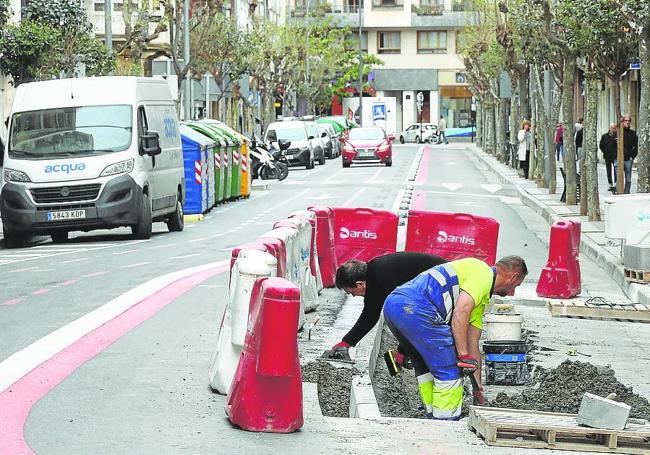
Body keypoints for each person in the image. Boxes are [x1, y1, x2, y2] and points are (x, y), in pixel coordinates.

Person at [383, 256, 527, 420]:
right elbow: (461, 311)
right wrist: (462, 355)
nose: (512, 291)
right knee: (450, 369)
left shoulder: (479, 297)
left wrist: (477, 387)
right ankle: (445, 424)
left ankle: (431, 416)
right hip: (417, 308)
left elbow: (472, 344)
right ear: (514, 277)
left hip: (394, 305)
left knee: (425, 366)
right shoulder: (484, 274)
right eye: (517, 285)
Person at [328, 252, 447, 364]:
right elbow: (370, 315)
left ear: (360, 284)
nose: (353, 296)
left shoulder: (383, 277)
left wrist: (403, 351)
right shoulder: (375, 274)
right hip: (437, 281)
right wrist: (347, 342)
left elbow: (410, 317)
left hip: (445, 281)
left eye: (352, 292)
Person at [614, 115, 638, 194]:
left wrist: (632, 156)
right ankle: (619, 192)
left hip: (628, 159)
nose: (627, 122)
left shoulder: (633, 133)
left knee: (628, 179)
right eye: (625, 121)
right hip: (618, 158)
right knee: (619, 178)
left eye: (629, 121)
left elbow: (636, 146)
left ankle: (627, 192)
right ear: (622, 122)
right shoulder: (618, 132)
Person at [599, 123, 618, 191]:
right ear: (609, 128)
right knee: (608, 170)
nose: (614, 129)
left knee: (616, 170)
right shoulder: (604, 136)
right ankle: (610, 183)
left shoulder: (617, 136)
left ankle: (616, 183)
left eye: (615, 128)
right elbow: (601, 145)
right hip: (607, 156)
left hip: (615, 156)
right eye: (612, 128)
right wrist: (605, 151)